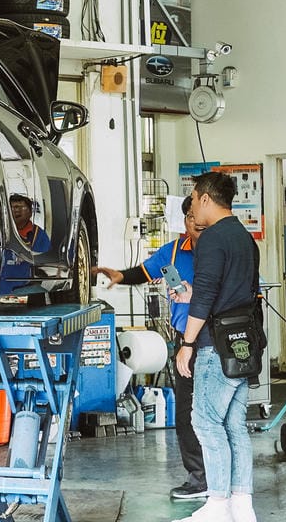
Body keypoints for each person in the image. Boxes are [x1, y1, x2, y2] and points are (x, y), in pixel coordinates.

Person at [93, 196, 207, 501]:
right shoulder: (172, 252)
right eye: (190, 217)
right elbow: (143, 272)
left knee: (216, 415)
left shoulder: (219, 249)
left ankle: (225, 480)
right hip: (186, 344)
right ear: (184, 220)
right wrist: (120, 275)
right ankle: (199, 479)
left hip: (216, 341)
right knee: (185, 415)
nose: (195, 222)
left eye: (199, 215)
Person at [171, 172, 259, 522]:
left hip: (215, 344)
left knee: (205, 422)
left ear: (206, 198)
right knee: (234, 425)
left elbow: (207, 295)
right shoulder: (244, 237)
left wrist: (187, 343)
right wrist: (193, 293)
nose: (192, 207)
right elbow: (240, 291)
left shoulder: (210, 239)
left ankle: (218, 506)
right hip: (245, 341)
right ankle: (242, 505)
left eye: (192, 199)